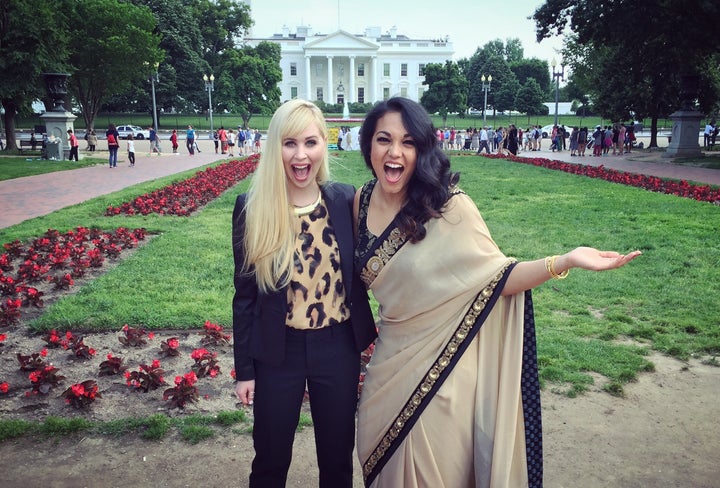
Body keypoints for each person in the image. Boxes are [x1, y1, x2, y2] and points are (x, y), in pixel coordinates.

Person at [353, 97, 641, 487]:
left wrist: (566, 260)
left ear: (422, 149)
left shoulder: (448, 208)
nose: (395, 152)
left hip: (442, 375)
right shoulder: (359, 202)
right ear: (368, 143)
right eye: (384, 139)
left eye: (408, 142)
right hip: (387, 372)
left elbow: (499, 277)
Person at [232, 99, 376, 488]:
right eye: (289, 143)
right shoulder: (253, 208)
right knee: (270, 460)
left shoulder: (345, 200)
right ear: (274, 147)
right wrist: (245, 371)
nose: (300, 155)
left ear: (323, 147)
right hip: (278, 353)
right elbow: (244, 297)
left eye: (310, 143)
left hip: (338, 347)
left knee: (337, 461)